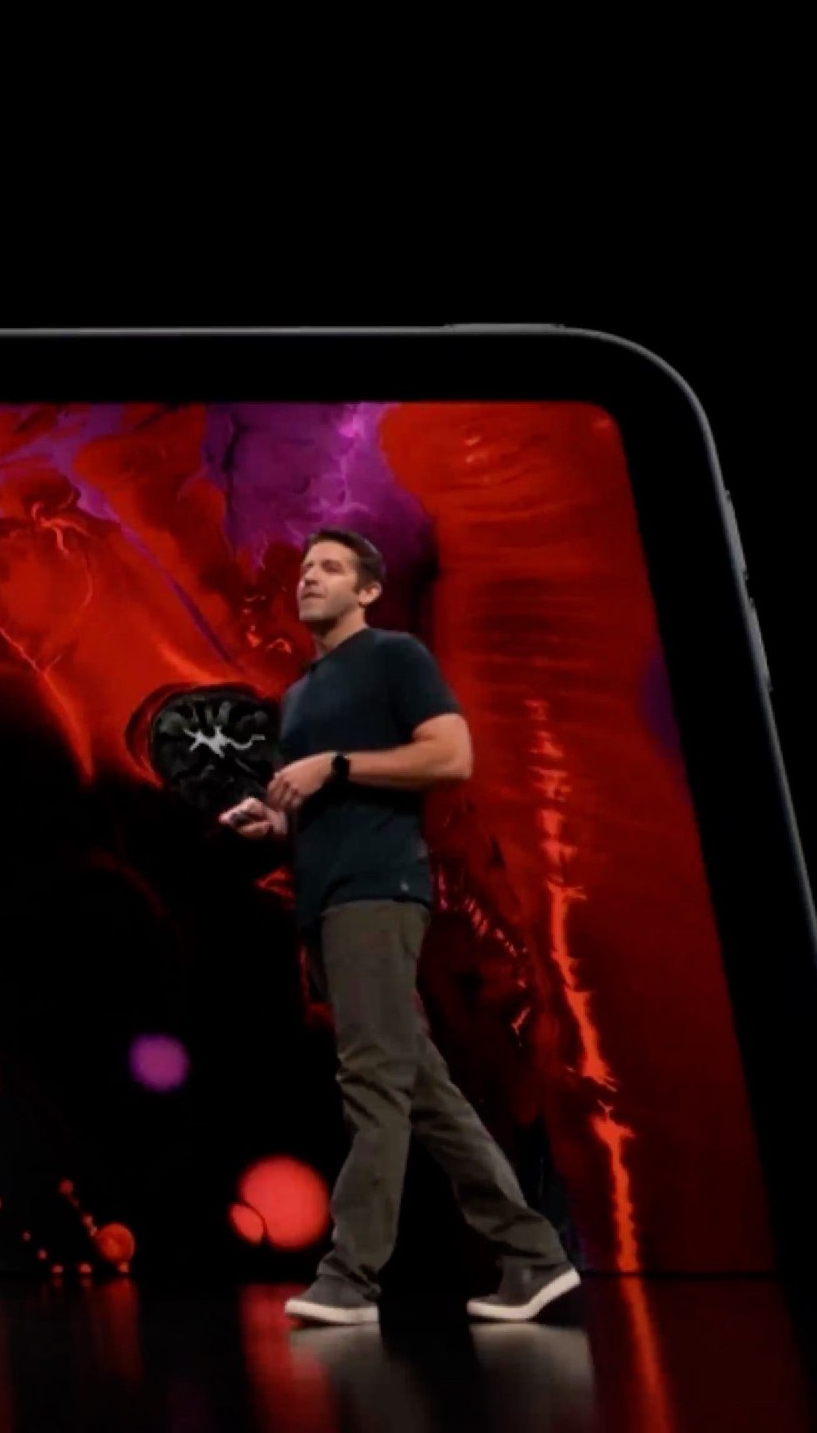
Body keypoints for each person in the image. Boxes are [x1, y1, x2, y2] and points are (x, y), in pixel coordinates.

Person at [219, 528, 580, 1327]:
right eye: (305, 568)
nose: (310, 578)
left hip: (378, 892)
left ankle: (351, 1277)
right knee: (418, 1084)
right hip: (325, 902)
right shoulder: (300, 695)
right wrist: (275, 820)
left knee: (373, 1080)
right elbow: (320, 800)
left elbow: (451, 755)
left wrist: (337, 765)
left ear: (368, 590)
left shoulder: (395, 658)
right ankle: (533, 1257)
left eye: (331, 568)